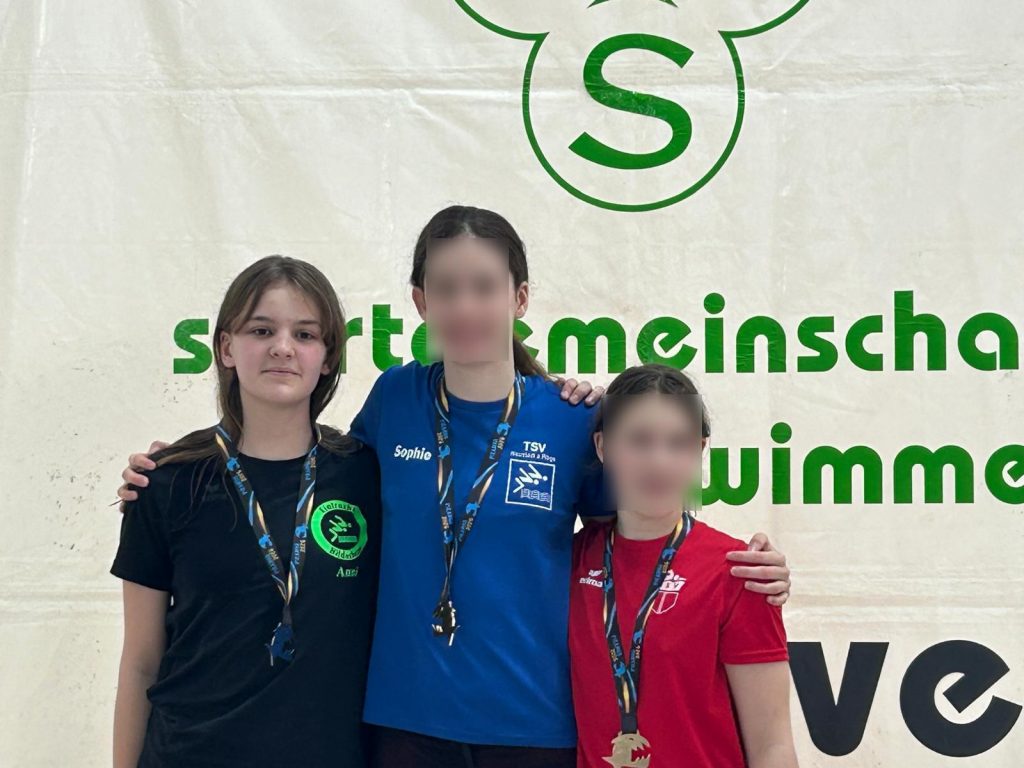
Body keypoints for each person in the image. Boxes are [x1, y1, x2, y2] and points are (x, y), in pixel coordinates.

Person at [118, 206, 791, 768]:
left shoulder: (570, 419)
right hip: (403, 727)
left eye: (485, 287)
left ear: (519, 298)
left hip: (533, 728)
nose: (466, 307)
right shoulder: (394, 400)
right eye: (446, 289)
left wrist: (741, 571)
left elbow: (638, 537)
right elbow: (298, 466)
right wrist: (179, 464)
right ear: (421, 301)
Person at [111, 256, 382, 768]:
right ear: (226, 347)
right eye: (261, 330)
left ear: (328, 358)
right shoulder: (165, 482)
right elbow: (142, 661)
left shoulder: (365, 475)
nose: (283, 347)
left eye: (305, 334)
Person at [570, 364, 798, 768]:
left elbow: (772, 747)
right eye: (639, 440)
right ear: (603, 447)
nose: (658, 462)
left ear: (700, 450)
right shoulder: (571, 562)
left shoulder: (739, 573)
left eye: (678, 443)